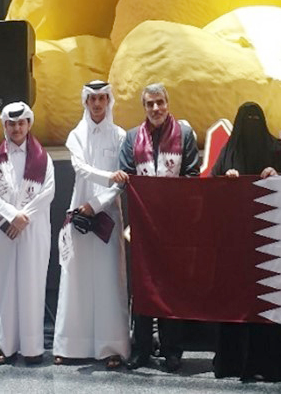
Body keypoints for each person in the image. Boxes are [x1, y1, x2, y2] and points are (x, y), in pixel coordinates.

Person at [211, 101, 281, 381]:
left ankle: (272, 363)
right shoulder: (228, 152)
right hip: (237, 243)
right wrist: (226, 179)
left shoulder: (277, 150)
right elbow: (211, 186)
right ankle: (234, 363)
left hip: (271, 242)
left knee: (269, 300)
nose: (251, 123)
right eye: (245, 118)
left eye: (255, 118)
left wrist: (279, 175)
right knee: (238, 300)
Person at [119, 82, 200, 371]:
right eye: (150, 104)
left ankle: (172, 351)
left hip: (174, 226)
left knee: (171, 288)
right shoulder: (131, 138)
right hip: (142, 225)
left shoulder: (186, 134)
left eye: (160, 103)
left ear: (168, 104)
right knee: (143, 288)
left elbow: (192, 175)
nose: (155, 108)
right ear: (144, 108)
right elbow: (127, 177)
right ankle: (142, 350)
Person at [53, 81, 129, 369]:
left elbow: (122, 182)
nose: (97, 104)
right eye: (92, 99)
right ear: (85, 102)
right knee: (76, 278)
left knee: (110, 279)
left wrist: (97, 204)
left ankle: (112, 348)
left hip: (107, 214)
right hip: (80, 213)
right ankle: (71, 346)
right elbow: (80, 169)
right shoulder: (76, 135)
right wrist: (110, 178)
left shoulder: (120, 136)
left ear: (109, 100)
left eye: (102, 98)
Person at [0, 101, 55, 366]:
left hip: (33, 231)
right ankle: (5, 345)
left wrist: (25, 217)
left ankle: (32, 346)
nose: (16, 128)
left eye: (21, 123)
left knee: (32, 284)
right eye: (11, 124)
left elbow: (48, 191)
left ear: (29, 124)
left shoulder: (43, 157)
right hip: (3, 231)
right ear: (4, 125)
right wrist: (13, 216)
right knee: (2, 286)